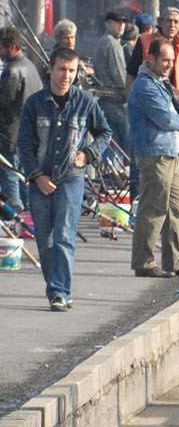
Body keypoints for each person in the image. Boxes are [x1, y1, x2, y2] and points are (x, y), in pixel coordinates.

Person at [19, 47, 110, 310]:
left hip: (71, 178)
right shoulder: (34, 104)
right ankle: (55, 288)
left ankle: (59, 291)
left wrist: (89, 154)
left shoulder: (86, 103)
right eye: (61, 69)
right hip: (40, 181)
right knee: (45, 240)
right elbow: (24, 144)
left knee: (64, 236)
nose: (66, 76)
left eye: (72, 70)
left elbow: (104, 132)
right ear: (49, 68)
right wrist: (36, 175)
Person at [128, 37, 179, 278]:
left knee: (177, 208)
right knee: (153, 208)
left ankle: (173, 261)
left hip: (169, 152)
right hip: (154, 154)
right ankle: (143, 263)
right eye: (165, 60)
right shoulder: (145, 86)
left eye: (172, 61)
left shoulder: (160, 83)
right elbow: (166, 119)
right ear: (150, 58)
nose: (169, 65)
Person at [0, 27, 43, 211]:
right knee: (23, 177)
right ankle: (28, 215)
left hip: (10, 134)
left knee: (9, 176)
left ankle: (13, 217)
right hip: (28, 134)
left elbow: (2, 101)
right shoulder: (29, 66)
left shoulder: (13, 70)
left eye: (1, 47)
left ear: (13, 46)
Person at [91, 9, 131, 152]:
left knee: (113, 141)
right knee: (125, 142)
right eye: (117, 22)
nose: (121, 25)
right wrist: (129, 95)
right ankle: (127, 171)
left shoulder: (103, 41)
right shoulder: (112, 43)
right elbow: (119, 74)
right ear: (107, 24)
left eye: (123, 23)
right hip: (115, 98)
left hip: (106, 98)